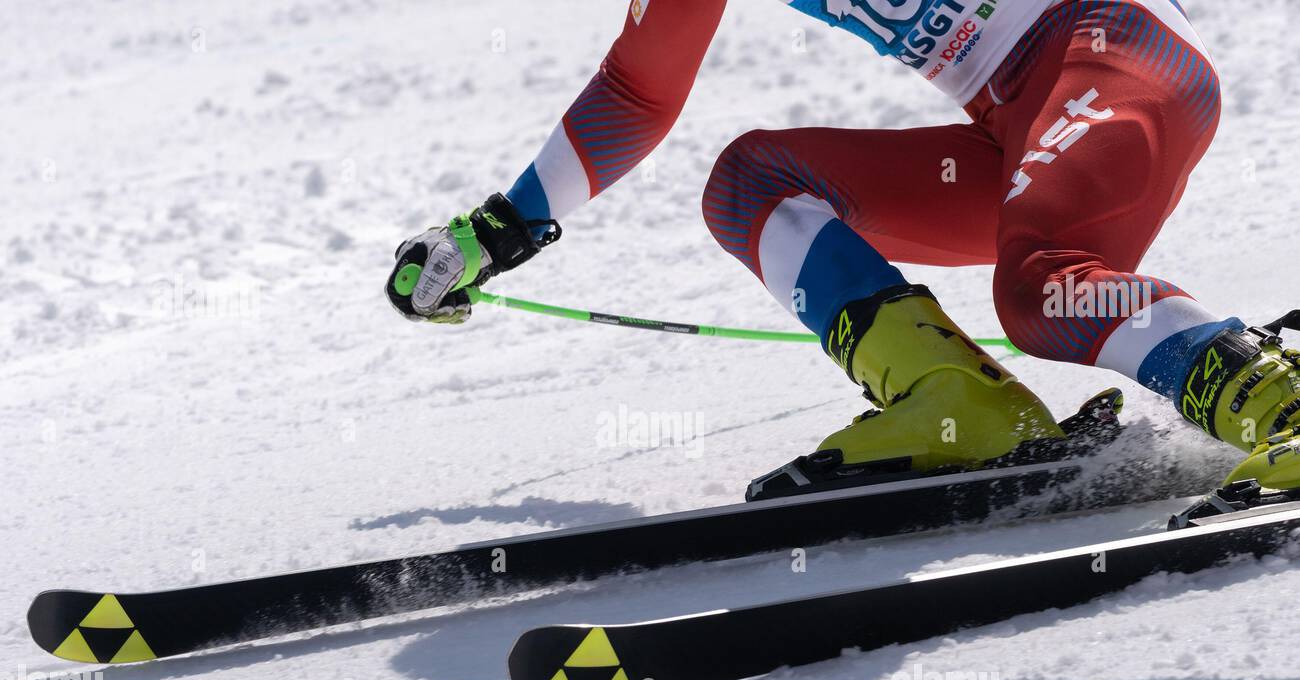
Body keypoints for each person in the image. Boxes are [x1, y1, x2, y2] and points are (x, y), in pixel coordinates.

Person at [386, 0, 1300, 495]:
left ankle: (1275, 397)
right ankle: (957, 404)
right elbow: (636, 89)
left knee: (1041, 291)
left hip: (1114, 49)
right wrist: (497, 231)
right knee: (752, 186)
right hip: (1008, 122)